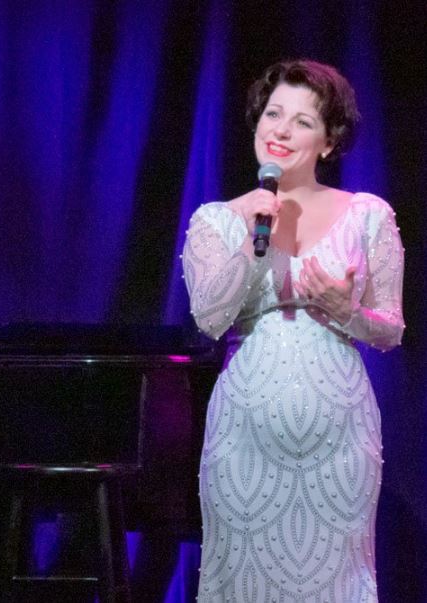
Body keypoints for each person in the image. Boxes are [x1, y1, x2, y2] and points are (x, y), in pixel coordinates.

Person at [183, 59, 404, 601]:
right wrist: (250, 235)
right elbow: (209, 319)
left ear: (328, 142)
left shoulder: (367, 215)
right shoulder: (216, 219)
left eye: (302, 121)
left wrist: (346, 310)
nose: (280, 130)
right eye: (273, 114)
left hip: (339, 439)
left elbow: (390, 330)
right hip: (245, 436)